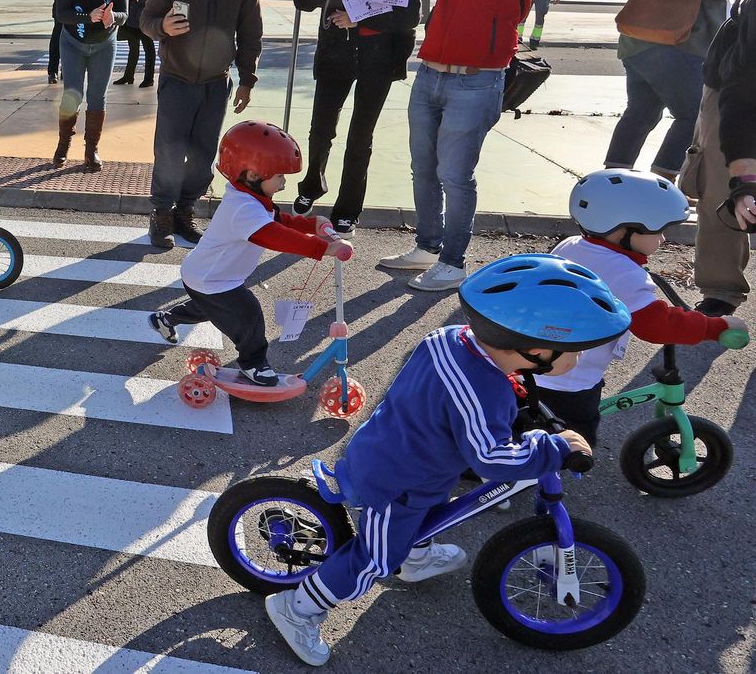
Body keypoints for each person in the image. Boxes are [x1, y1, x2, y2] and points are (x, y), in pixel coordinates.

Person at [264, 253, 628, 666]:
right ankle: (297, 608)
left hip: (413, 456)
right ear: (537, 350)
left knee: (435, 507)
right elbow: (490, 458)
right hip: (395, 482)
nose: (579, 359)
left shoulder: (453, 338)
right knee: (376, 560)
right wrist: (554, 448)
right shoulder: (482, 390)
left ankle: (415, 555)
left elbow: (458, 399)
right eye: (573, 351)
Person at [377, 0, 556, 291]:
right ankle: (427, 245)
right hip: (431, 73)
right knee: (423, 168)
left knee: (455, 175)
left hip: (478, 79)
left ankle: (453, 261)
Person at [541, 170, 745, 443]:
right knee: (574, 441)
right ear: (624, 229)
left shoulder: (571, 245)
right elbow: (656, 325)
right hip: (566, 379)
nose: (663, 239)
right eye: (658, 231)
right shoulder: (623, 272)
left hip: (536, 357)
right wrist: (716, 327)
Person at [148, 122, 351, 385]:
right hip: (212, 280)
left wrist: (312, 225)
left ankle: (166, 319)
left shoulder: (252, 199)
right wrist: (324, 248)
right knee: (248, 313)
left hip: (204, 274)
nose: (283, 183)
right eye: (279, 176)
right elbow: (275, 235)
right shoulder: (243, 209)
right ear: (254, 175)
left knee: (211, 309)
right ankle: (253, 363)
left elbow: (280, 220)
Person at [289, 0, 420, 234]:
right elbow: (303, 1)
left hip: (379, 55)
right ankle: (311, 187)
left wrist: (360, 15)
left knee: (360, 136)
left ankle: (347, 208)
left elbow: (409, 16)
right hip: (337, 53)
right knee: (321, 129)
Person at [604, 0, 755, 180]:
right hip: (674, 45)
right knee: (691, 116)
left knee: (642, 114)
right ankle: (663, 180)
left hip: (645, 44)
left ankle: (614, 180)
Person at [139, 0, 264, 248]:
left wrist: (248, 78)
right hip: (177, 79)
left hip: (216, 81)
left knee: (203, 152)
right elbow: (146, 20)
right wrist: (162, 26)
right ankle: (161, 214)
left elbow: (250, 27)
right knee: (169, 150)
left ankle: (185, 211)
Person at [687, 0, 756, 316]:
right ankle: (720, 290)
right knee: (723, 192)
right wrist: (744, 178)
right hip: (734, 92)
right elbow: (740, 100)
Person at [51, 0, 128, 173]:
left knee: (97, 96)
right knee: (72, 94)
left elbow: (124, 14)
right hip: (73, 43)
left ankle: (91, 149)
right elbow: (61, 13)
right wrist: (88, 16)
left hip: (105, 44)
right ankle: (64, 144)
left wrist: (111, 17)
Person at [115, 0, 159, 87]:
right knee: (133, 47)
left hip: (146, 17)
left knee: (148, 48)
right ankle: (128, 76)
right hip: (133, 18)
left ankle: (149, 78)